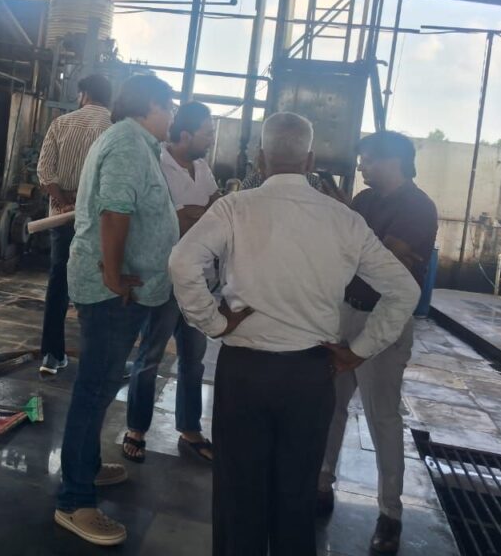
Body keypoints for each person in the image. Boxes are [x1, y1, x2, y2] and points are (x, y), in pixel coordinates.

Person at [169, 112, 419, 556]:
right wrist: (360, 350)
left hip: (244, 370)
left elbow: (182, 263)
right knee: (297, 493)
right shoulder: (344, 220)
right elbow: (404, 289)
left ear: (261, 157)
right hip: (310, 373)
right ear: (310, 160)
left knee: (239, 493)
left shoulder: (234, 208)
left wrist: (213, 322)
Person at [54, 74, 179, 547]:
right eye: (168, 106)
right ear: (151, 106)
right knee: (94, 391)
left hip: (118, 291)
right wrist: (112, 274)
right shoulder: (127, 143)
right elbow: (114, 212)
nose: (172, 115)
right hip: (110, 294)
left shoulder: (136, 142)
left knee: (100, 387)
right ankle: (74, 501)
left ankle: (85, 466)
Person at [318, 131, 438, 554]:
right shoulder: (366, 201)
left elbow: (387, 255)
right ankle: (322, 483)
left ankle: (390, 513)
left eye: (367, 159)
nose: (361, 166)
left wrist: (348, 221)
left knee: (382, 417)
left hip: (384, 320)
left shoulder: (418, 206)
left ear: (392, 161)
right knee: (331, 404)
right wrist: (347, 219)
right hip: (347, 311)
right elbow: (355, 246)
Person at [123, 101, 218, 464]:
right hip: (163, 275)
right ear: (186, 135)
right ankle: (136, 428)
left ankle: (189, 428)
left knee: (194, 359)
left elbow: (215, 213)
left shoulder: (202, 167)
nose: (211, 139)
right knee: (150, 356)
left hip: (198, 279)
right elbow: (166, 221)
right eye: (207, 133)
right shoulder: (158, 164)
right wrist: (194, 215)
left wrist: (193, 214)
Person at [35, 73, 113, 376]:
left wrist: (63, 200)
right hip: (98, 220)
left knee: (59, 281)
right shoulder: (114, 128)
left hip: (61, 217)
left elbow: (45, 172)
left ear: (84, 95)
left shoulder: (61, 123)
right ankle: (98, 358)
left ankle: (52, 355)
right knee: (100, 284)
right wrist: (83, 199)